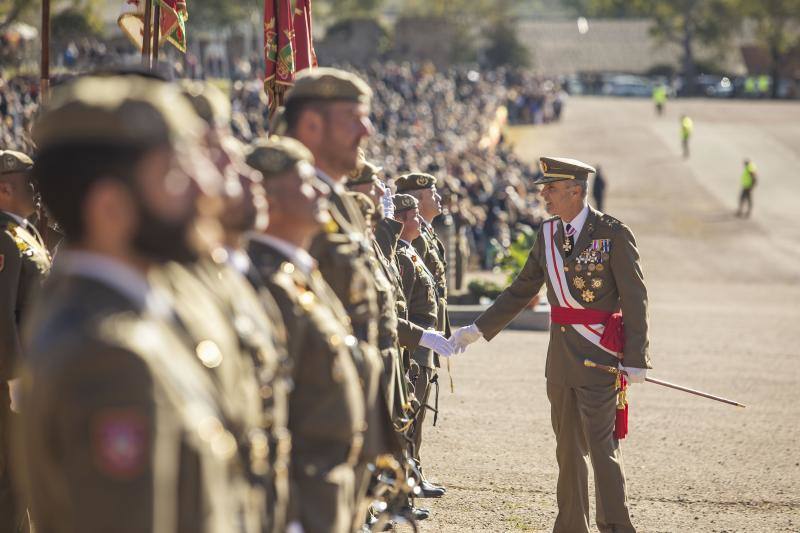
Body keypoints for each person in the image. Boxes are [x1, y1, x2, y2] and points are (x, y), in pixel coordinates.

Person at [20, 75, 258, 533]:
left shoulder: (138, 318)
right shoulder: (107, 355)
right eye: (173, 174)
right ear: (110, 208)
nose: (206, 190)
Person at [451, 156, 650, 533]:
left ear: (576, 191)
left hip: (600, 359)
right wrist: (476, 329)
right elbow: (521, 290)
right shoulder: (547, 234)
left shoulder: (612, 233)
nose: (543, 195)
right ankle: (571, 526)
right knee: (567, 452)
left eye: (552, 188)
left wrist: (636, 356)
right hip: (560, 362)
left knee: (603, 451)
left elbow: (635, 296)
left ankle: (616, 527)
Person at [245, 137, 366, 533]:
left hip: (326, 494)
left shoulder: (296, 274)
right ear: (271, 201)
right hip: (299, 505)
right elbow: (266, 416)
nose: (319, 191)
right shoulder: (266, 284)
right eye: (303, 182)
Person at [0, 149, 51, 533]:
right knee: (12, 478)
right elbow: (3, 314)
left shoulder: (24, 230)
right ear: (4, 188)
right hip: (11, 383)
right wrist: (16, 378)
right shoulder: (3, 237)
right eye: (28, 185)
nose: (36, 192)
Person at [395, 173, 450, 497]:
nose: (438, 198)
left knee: (416, 413)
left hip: (426, 336)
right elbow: (407, 296)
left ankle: (412, 472)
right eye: (431, 193)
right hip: (415, 339)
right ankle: (406, 477)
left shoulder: (422, 239)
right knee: (409, 413)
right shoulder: (409, 246)